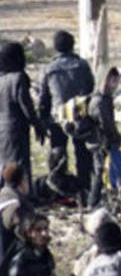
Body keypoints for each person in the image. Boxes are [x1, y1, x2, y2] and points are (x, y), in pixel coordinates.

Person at [39, 30, 95, 202]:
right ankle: (85, 192)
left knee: (58, 156)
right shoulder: (82, 65)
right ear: (72, 45)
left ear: (55, 48)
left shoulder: (48, 69)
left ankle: (59, 192)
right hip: (81, 117)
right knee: (83, 156)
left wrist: (42, 122)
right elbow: (90, 89)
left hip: (58, 119)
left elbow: (43, 99)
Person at [0, 43, 43, 185]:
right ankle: (22, 198)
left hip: (2, 128)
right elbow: (26, 105)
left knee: (4, 164)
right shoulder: (18, 77)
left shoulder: (2, 79)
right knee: (19, 165)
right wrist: (37, 125)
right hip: (16, 129)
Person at [88, 67, 121, 208]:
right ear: (105, 81)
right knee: (100, 172)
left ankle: (113, 198)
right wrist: (116, 137)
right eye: (112, 80)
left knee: (107, 171)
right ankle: (93, 203)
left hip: (105, 141)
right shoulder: (100, 101)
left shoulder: (106, 98)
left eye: (117, 80)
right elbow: (106, 125)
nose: (115, 84)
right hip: (101, 142)